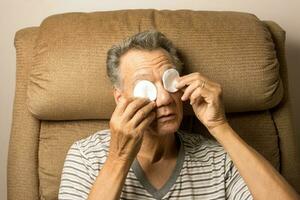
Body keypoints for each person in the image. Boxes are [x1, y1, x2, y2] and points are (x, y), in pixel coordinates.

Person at [58, 30, 299, 200]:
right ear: (120, 98)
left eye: (169, 81)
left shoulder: (219, 160)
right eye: (146, 87)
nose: (164, 99)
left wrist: (220, 126)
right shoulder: (86, 156)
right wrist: (118, 159)